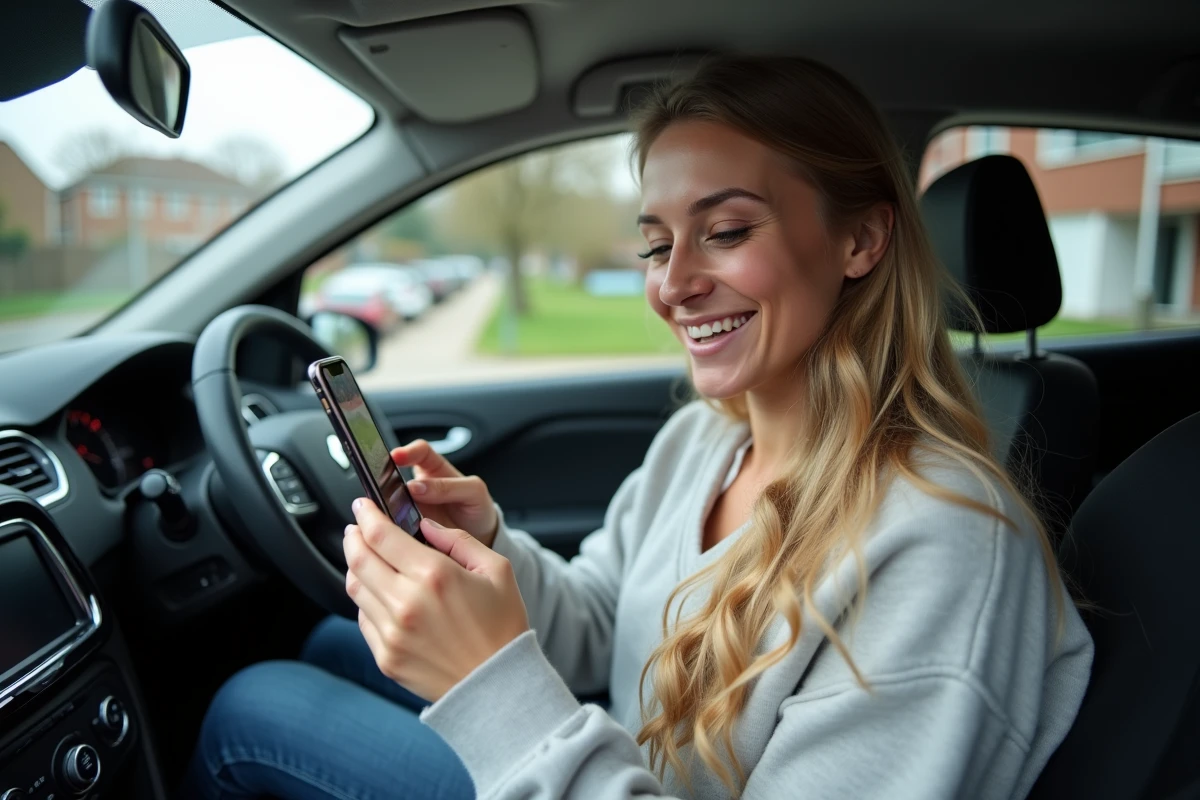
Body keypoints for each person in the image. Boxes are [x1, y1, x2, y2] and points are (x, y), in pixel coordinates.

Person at [181, 55, 1093, 800]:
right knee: (330, 644)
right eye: (658, 243)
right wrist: (491, 549)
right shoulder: (703, 440)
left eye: (726, 230)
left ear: (860, 241)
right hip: (608, 765)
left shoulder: (947, 543)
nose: (673, 283)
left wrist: (489, 681)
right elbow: (603, 623)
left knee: (252, 705)